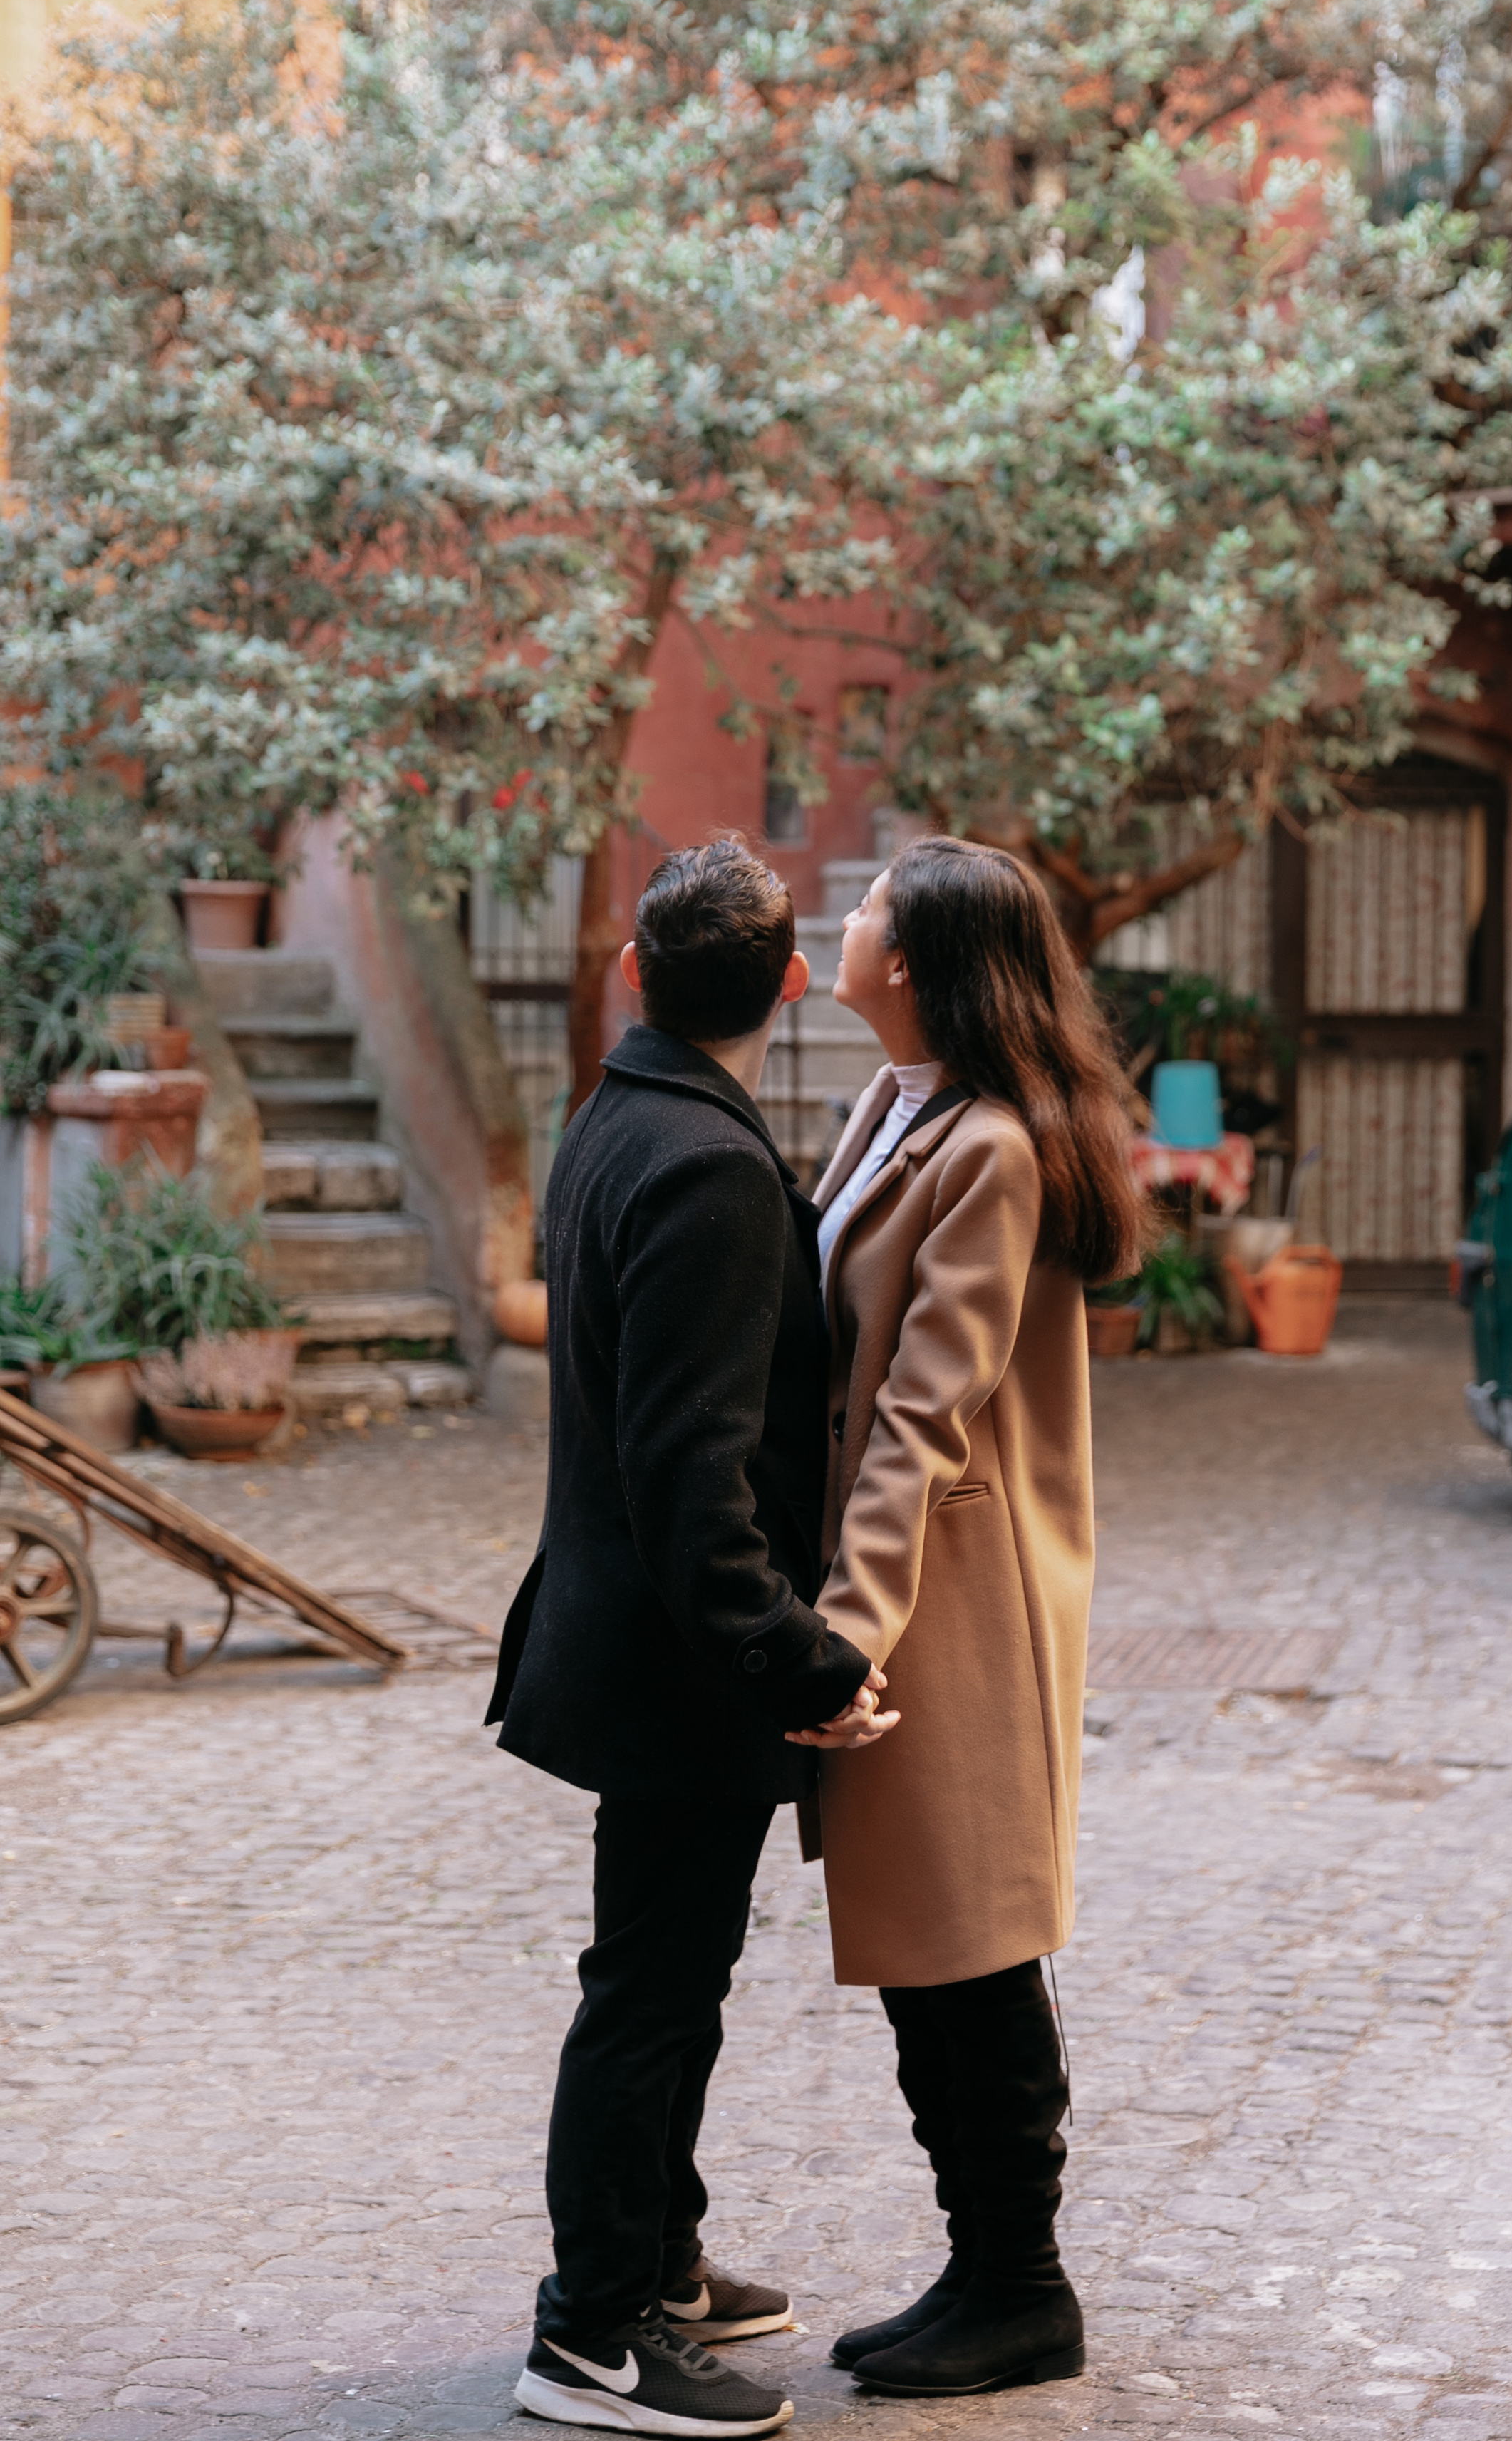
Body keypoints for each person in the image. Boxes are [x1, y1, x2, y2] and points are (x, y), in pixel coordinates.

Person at [486, 838, 896, 2438]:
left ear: (632, 977)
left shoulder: (613, 1117)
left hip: (624, 1643)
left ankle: (653, 2264)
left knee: (665, 1980)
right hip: (671, 1668)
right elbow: (688, 1477)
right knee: (649, 1993)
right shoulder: (709, 1166)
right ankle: (588, 2338)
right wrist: (803, 1659)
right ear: (788, 987)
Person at [787, 835, 1144, 2400]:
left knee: (971, 1938)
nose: (842, 923)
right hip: (893, 1582)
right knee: (931, 1943)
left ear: (915, 962)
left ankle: (1023, 2285)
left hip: (954, 1594)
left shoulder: (991, 1146)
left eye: (863, 909)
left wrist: (843, 1634)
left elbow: (925, 1420)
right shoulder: (894, 1104)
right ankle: (980, 2266)